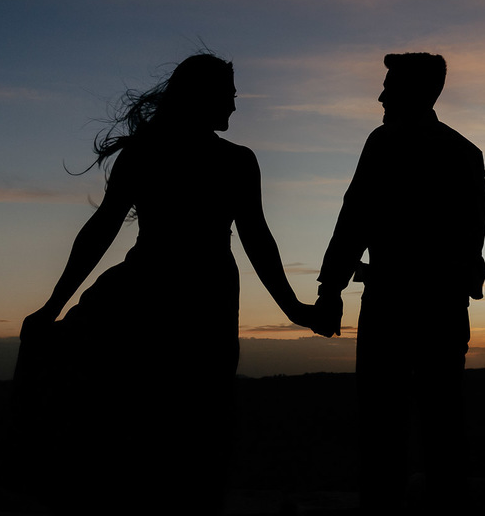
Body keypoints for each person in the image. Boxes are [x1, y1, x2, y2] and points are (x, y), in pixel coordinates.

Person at [16, 52, 313, 515]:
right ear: (204, 97)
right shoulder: (220, 159)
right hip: (187, 293)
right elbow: (106, 226)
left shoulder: (161, 153)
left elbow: (255, 238)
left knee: (182, 411)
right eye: (229, 97)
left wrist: (296, 308)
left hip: (169, 290)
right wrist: (53, 303)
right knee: (187, 413)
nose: (235, 108)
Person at [313, 52, 485, 515]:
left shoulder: (385, 144)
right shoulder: (464, 152)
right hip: (440, 310)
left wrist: (331, 290)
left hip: (392, 307)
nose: (381, 95)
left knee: (385, 427)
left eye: (389, 86)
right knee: (441, 424)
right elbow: (472, 242)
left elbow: (353, 222)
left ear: (414, 92)